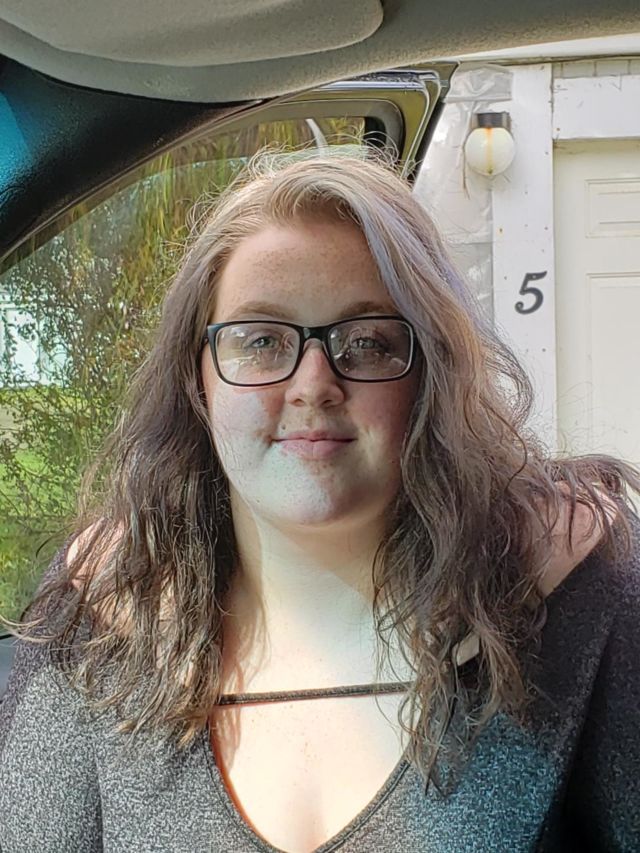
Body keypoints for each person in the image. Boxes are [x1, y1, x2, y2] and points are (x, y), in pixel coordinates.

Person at [0, 151, 639, 853]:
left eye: (366, 342)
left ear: (431, 374)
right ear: (196, 379)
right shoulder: (105, 607)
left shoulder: (580, 589)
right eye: (260, 340)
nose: (312, 385)